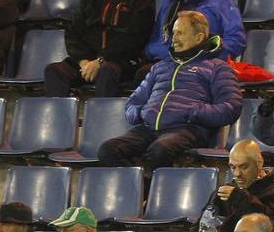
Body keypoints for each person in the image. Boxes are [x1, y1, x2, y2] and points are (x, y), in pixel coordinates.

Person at [99, 10, 242, 170]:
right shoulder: (160, 67)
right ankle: (137, 188)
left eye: (180, 33)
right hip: (149, 128)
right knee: (108, 150)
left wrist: (195, 112)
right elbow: (133, 102)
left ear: (199, 37)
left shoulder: (217, 67)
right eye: (174, 32)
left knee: (160, 150)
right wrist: (141, 113)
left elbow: (231, 106)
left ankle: (149, 189)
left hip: (187, 129)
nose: (174, 38)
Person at [43, 0, 157, 98]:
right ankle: (60, 120)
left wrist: (101, 61)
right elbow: (73, 34)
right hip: (87, 62)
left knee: (107, 70)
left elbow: (133, 38)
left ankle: (103, 119)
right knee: (54, 70)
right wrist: (83, 62)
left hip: (122, 61)